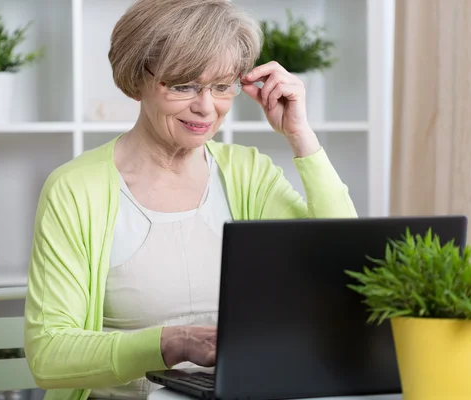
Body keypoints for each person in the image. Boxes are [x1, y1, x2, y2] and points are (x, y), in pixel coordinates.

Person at [23, 0, 358, 399]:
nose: (205, 106)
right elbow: (48, 354)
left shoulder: (247, 173)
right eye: (183, 85)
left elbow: (345, 266)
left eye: (221, 86)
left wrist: (301, 136)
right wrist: (171, 343)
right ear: (137, 77)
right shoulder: (76, 189)